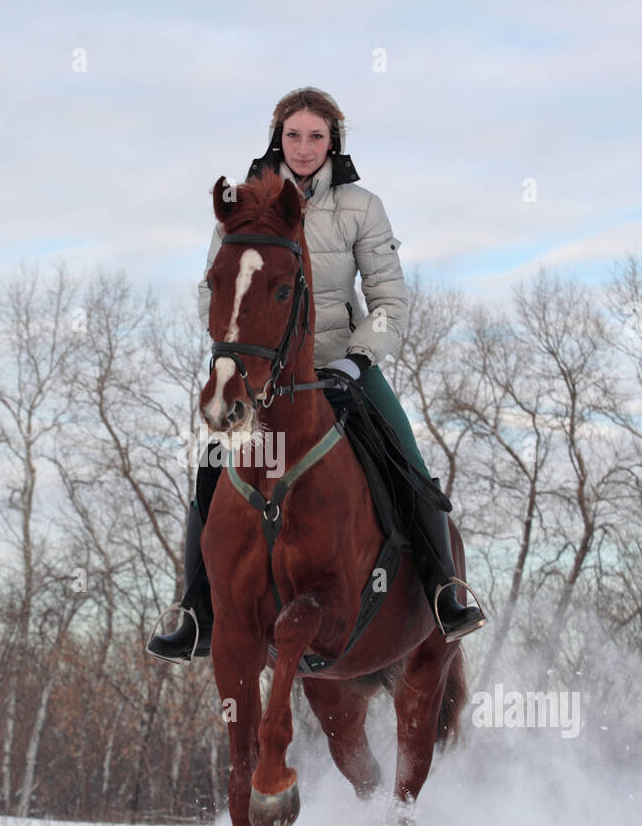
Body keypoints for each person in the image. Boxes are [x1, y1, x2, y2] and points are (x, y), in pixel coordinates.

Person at [147, 87, 486, 662]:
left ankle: (443, 591)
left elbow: (387, 302)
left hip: (345, 366)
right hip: (264, 376)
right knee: (211, 466)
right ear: (277, 138)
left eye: (317, 136)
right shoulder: (246, 202)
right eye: (293, 135)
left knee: (408, 459)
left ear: (334, 142)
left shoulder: (361, 207)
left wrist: (359, 357)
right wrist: (238, 354)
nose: (304, 148)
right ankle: (195, 611)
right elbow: (216, 283)